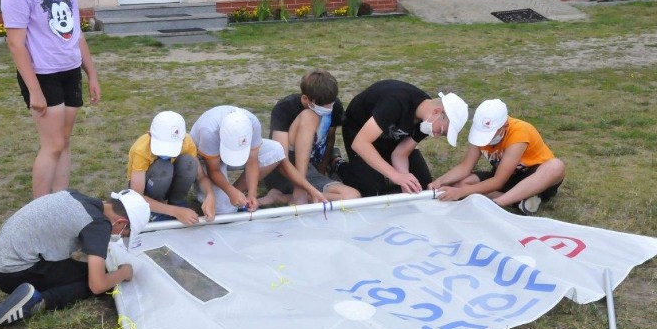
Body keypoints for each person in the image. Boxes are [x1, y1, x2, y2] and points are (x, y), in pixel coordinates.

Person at [1, 0, 99, 199]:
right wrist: (34, 90)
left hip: (70, 72)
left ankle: (60, 202)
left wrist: (91, 74)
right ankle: (40, 209)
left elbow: (77, 36)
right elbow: (16, 44)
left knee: (64, 142)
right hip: (43, 76)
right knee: (52, 144)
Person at [0, 189, 150, 329]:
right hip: (13, 274)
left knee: (84, 270)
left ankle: (31, 294)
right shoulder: (99, 225)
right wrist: (123, 272)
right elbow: (97, 285)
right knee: (96, 280)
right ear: (121, 222)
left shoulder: (76, 196)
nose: (119, 236)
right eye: (124, 233)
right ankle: (39, 302)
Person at [330, 79, 469, 197]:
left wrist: (405, 179)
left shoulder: (427, 120)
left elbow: (401, 153)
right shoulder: (395, 102)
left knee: (421, 183)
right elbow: (360, 143)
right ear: (437, 112)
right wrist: (395, 175)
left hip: (389, 138)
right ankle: (337, 163)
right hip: (359, 133)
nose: (437, 136)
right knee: (372, 189)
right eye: (442, 131)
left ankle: (383, 166)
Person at [429, 99, 565, 215]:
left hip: (534, 177)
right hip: (506, 177)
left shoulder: (519, 132)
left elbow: (498, 181)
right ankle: (519, 201)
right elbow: (465, 167)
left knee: (556, 166)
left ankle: (497, 203)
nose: (486, 140)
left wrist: (460, 193)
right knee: (461, 183)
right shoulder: (478, 131)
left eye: (490, 134)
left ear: (504, 126)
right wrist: (440, 181)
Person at [189, 105, 327, 214]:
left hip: (223, 155)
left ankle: (238, 196)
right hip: (206, 159)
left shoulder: (252, 122)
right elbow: (213, 170)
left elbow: (252, 162)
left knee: (276, 150)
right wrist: (229, 191)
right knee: (225, 211)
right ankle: (224, 196)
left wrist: (252, 194)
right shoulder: (208, 131)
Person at [261, 69, 360, 205]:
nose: (328, 108)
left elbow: (329, 140)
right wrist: (302, 187)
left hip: (310, 169)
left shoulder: (333, 105)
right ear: (305, 98)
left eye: (330, 104)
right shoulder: (285, 108)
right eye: (322, 105)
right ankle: (298, 192)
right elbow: (280, 159)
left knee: (352, 195)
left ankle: (281, 197)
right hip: (285, 170)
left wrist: (321, 171)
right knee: (309, 116)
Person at [127, 111, 216, 224]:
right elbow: (137, 195)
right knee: (163, 168)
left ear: (183, 139)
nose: (167, 154)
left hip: (168, 179)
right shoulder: (141, 150)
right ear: (149, 135)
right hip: (147, 189)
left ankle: (177, 201)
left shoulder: (187, 143)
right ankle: (154, 211)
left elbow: (201, 177)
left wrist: (210, 195)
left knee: (189, 163)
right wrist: (175, 212)